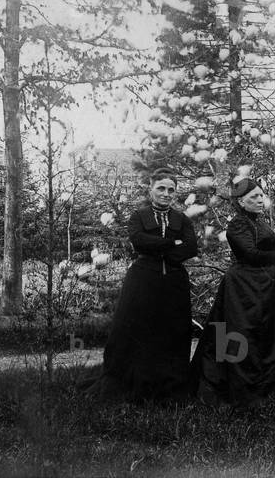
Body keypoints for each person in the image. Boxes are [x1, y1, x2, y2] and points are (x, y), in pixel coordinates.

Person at [89, 168, 198, 402]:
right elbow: (139, 241)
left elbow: (191, 247)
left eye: (171, 190)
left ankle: (168, 386)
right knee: (136, 330)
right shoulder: (138, 216)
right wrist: (172, 243)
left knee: (173, 330)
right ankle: (135, 383)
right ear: (151, 190)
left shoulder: (182, 219)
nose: (166, 194)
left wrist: (161, 248)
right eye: (161, 188)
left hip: (174, 281)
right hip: (142, 281)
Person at [190, 178, 275, 404]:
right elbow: (251, 254)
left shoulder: (258, 221)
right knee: (240, 334)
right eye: (254, 196)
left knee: (265, 333)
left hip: (263, 285)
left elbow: (268, 248)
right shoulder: (238, 224)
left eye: (261, 195)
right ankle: (237, 389)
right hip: (243, 286)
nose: (260, 200)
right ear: (241, 201)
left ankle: (268, 389)